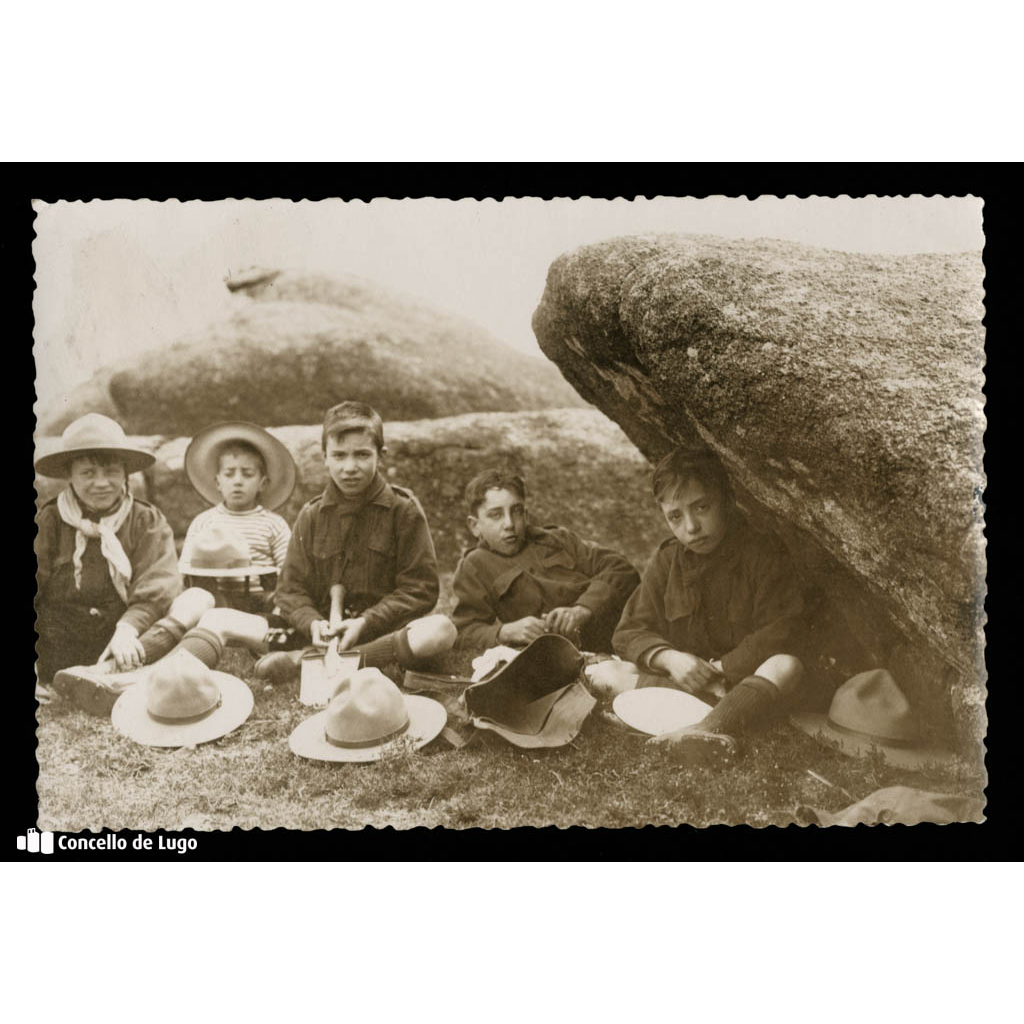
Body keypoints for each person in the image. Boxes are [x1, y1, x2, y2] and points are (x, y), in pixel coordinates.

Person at [599, 445, 806, 767]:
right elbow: (628, 631)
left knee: (786, 664)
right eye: (675, 516)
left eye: (702, 507)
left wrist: (721, 671)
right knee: (606, 671)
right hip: (686, 683)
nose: (691, 527)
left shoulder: (762, 553)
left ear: (726, 500)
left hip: (743, 682)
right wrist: (669, 658)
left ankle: (705, 729)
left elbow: (781, 629)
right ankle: (706, 717)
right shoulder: (667, 559)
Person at [253, 401, 455, 682]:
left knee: (442, 630)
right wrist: (313, 624)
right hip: (323, 632)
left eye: (361, 455)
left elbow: (420, 588)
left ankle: (312, 662)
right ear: (324, 456)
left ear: (380, 456)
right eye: (338, 455)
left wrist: (366, 621)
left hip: (383, 630)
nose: (350, 467)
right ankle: (321, 651)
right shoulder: (311, 515)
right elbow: (289, 590)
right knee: (231, 622)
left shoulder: (403, 509)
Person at [34, 414, 182, 702]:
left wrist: (128, 630)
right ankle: (78, 679)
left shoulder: (145, 520)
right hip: (57, 646)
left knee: (192, 605)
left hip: (122, 643)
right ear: (70, 476)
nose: (101, 483)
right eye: (88, 473)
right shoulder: (48, 520)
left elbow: (158, 586)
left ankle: (111, 675)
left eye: (111, 471)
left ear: (125, 473)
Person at [450, 469, 640, 652]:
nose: (509, 524)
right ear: (474, 526)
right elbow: (463, 631)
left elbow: (620, 568)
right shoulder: (475, 566)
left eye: (516, 511)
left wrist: (582, 610)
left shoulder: (558, 539)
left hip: (618, 632)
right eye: (496, 515)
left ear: (525, 515)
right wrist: (505, 631)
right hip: (563, 653)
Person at [178, 421, 295, 613]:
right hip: (213, 600)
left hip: (261, 601)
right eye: (229, 474)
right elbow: (186, 570)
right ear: (218, 481)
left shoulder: (273, 524)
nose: (238, 481)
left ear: (262, 483)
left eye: (247, 474)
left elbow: (288, 572)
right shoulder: (204, 522)